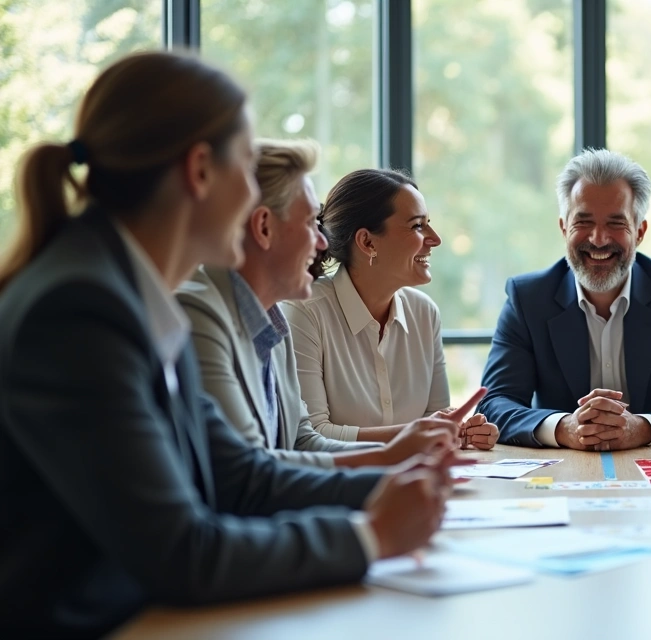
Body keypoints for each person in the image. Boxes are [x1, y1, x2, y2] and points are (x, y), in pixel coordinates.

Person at [0, 52, 464, 638]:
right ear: (199, 171)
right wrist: (371, 535)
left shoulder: (130, 293)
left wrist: (395, 489)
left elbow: (240, 475)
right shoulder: (80, 310)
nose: (252, 199)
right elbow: (183, 552)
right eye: (246, 167)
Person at [177, 139, 458, 468]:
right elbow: (248, 475)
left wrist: (393, 458)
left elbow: (302, 442)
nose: (323, 241)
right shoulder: (201, 314)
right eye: (311, 222)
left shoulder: (271, 322)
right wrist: (388, 470)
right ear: (264, 227)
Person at [480, 148, 651, 450]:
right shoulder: (528, 298)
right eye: (583, 222)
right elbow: (494, 404)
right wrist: (565, 428)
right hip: (562, 469)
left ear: (639, 231)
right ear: (564, 228)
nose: (598, 239)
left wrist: (642, 428)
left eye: (616, 223)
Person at [282, 169, 498, 450]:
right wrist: (420, 433)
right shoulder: (305, 312)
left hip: (416, 482)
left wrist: (462, 431)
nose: (435, 238)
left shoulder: (425, 313)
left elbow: (437, 420)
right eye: (418, 226)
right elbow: (310, 436)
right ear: (368, 242)